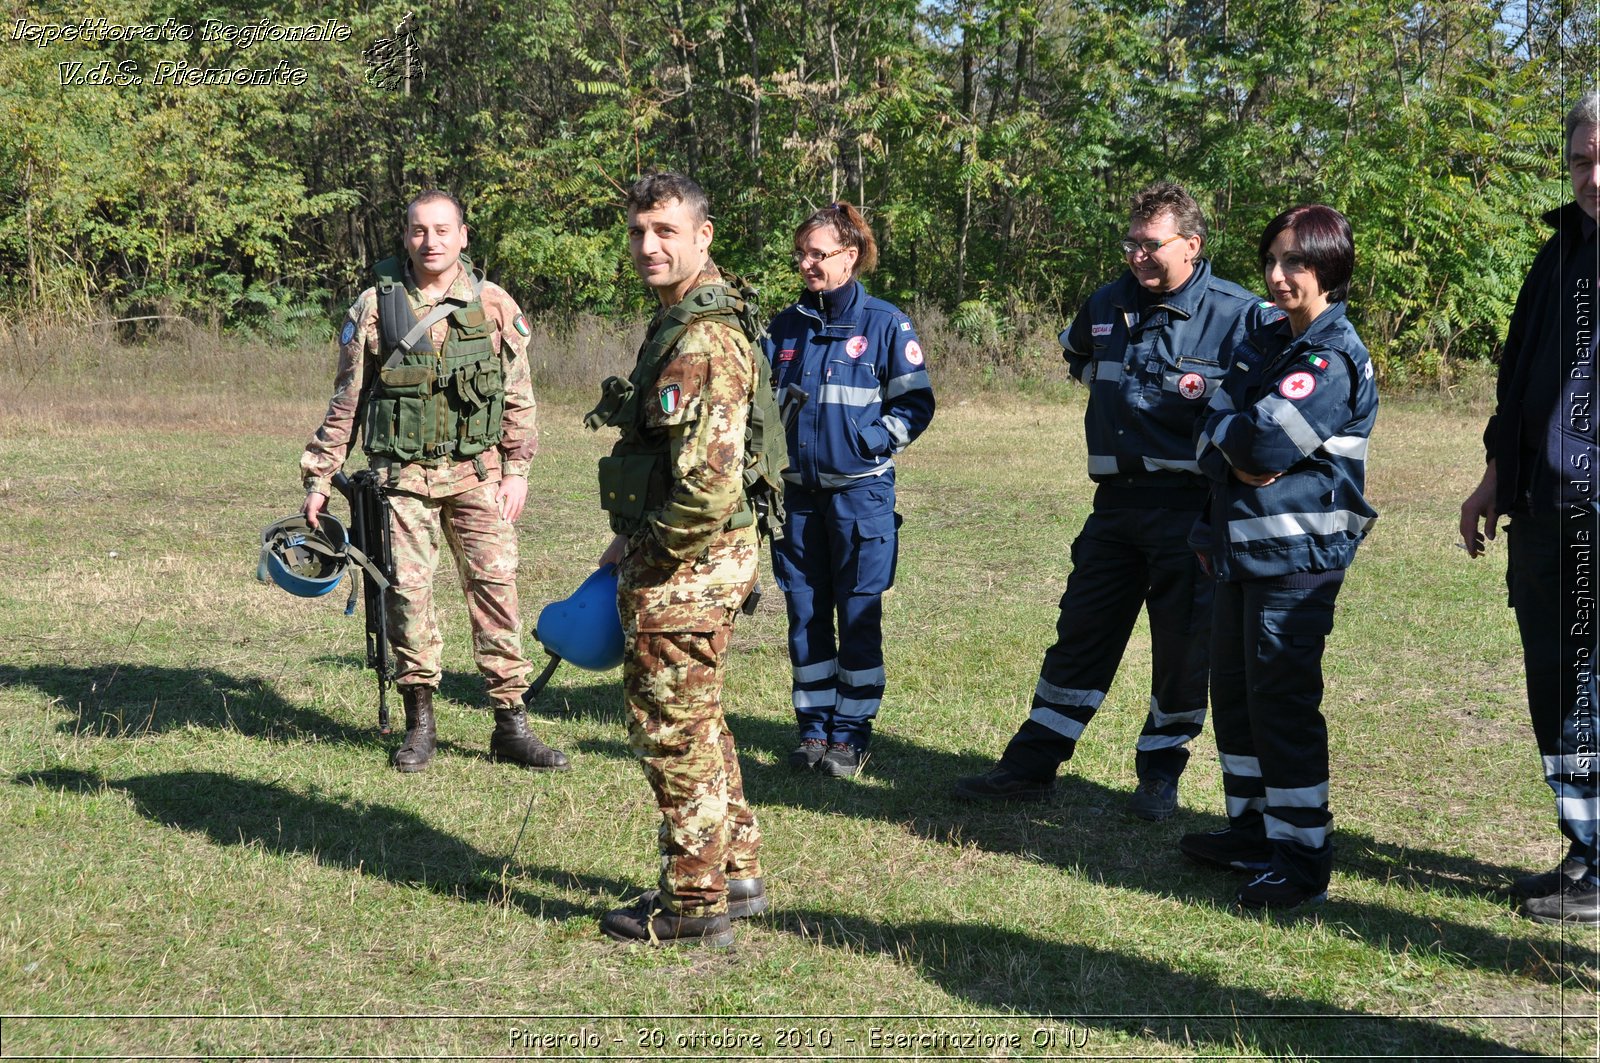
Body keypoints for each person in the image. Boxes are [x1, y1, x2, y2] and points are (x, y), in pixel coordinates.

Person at [954, 182, 1284, 819]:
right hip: (1116, 506)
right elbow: (1078, 353)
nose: (1135, 254)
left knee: (1184, 650)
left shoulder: (1241, 315)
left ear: (1191, 244)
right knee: (1080, 634)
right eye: (1129, 241)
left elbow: (1271, 403)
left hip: (1194, 509)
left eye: (1149, 244)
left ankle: (1160, 774)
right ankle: (1033, 764)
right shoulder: (1106, 303)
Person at [300, 189, 567, 773]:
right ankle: (421, 721)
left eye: (443, 230)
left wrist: (517, 469)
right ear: (406, 237)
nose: (432, 241)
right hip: (404, 479)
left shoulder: (493, 304)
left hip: (479, 476)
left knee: (496, 591)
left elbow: (519, 395)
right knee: (407, 596)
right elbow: (347, 400)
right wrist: (320, 477)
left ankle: (510, 723)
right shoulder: (375, 306)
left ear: (463, 236)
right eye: (420, 231)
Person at [1182, 204, 1378, 910]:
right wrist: (1233, 439)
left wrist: (1235, 438)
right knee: (1235, 700)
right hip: (1241, 552)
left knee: (1282, 706)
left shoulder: (1330, 358)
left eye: (1295, 261)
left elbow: (1261, 447)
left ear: (1328, 268)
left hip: (1296, 563)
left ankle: (1301, 861)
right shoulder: (1270, 341)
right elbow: (1208, 436)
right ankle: (1254, 832)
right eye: (1272, 258)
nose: (1277, 274)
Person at [591, 172, 767, 946]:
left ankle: (693, 900)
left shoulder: (701, 337)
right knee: (701, 719)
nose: (648, 245)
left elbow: (706, 486)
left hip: (689, 564)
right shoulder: (680, 320)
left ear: (703, 234)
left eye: (665, 230)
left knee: (671, 729)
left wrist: (646, 557)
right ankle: (735, 868)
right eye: (637, 231)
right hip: (695, 554)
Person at [1459, 92, 1600, 925]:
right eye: (1582, 158)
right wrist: (1493, 477)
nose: (1594, 175)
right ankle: (1586, 849)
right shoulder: (1555, 259)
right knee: (1557, 685)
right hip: (1545, 514)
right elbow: (1519, 386)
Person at [764, 203, 936, 778]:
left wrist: (872, 442)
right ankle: (813, 729)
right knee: (805, 614)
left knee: (858, 615)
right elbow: (762, 404)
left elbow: (916, 403)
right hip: (798, 501)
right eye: (802, 254)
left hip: (860, 499)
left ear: (851, 255)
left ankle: (851, 733)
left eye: (819, 254)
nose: (807, 264)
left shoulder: (887, 323)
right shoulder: (785, 326)